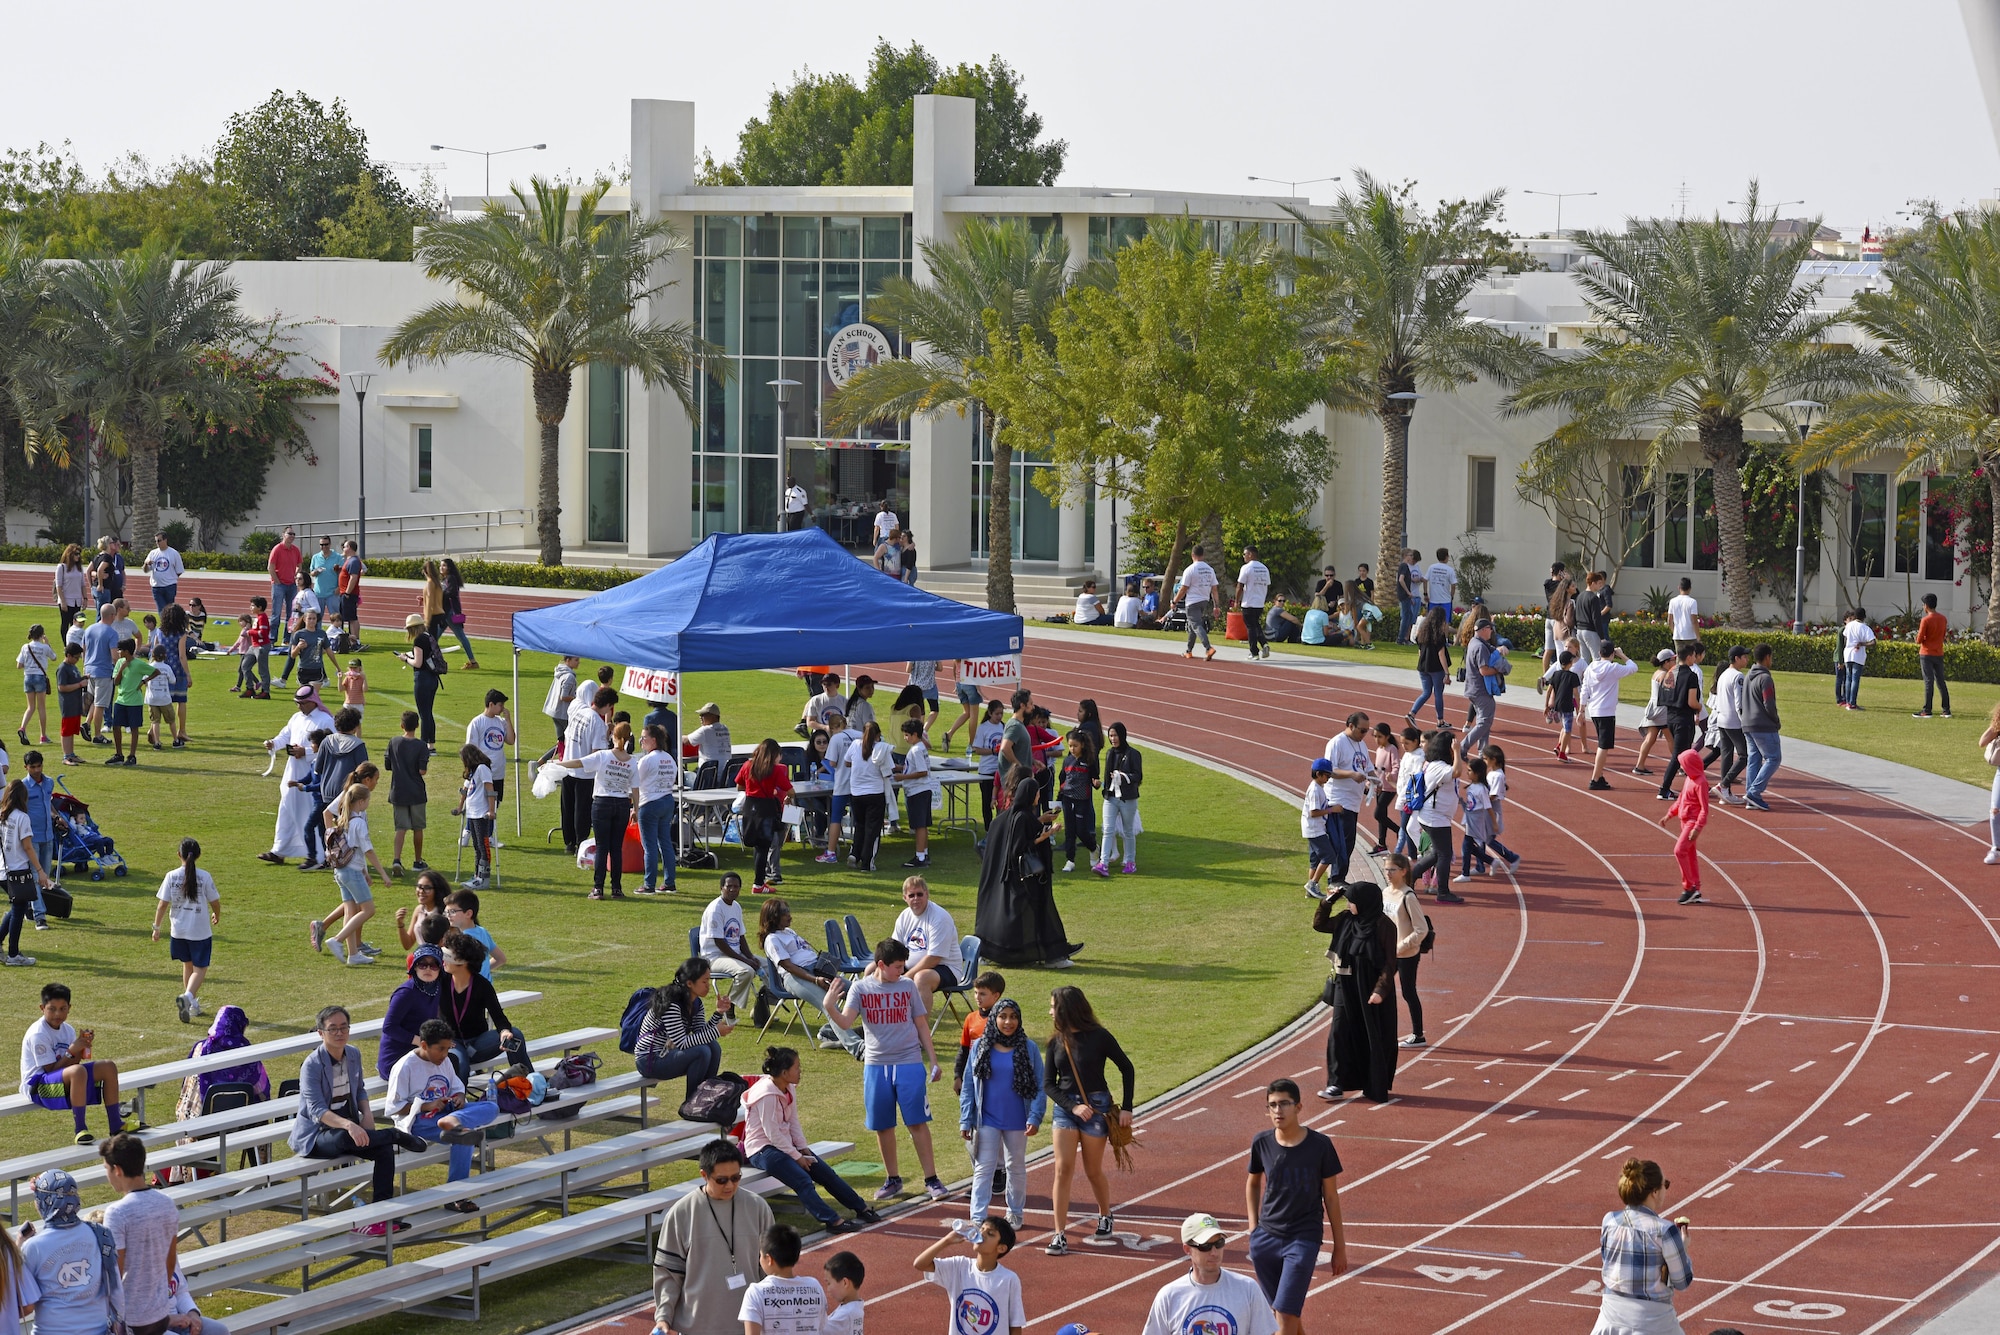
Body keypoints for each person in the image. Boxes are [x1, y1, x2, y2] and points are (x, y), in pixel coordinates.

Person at [825, 938, 947, 1202]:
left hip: (909, 1062)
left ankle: (932, 1179)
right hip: (876, 1065)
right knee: (883, 1125)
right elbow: (846, 1023)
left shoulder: (907, 987)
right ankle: (893, 1179)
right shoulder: (861, 988)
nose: (902, 972)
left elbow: (922, 1025)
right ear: (881, 964)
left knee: (917, 1122)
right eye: (898, 967)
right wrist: (828, 1007)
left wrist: (934, 1060)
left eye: (904, 966)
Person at [290, 1005, 429, 1222]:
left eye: (343, 1027)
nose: (339, 1033)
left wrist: (367, 1114)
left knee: (383, 1151)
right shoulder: (311, 1065)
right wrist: (349, 1125)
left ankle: (382, 1213)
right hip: (318, 1134)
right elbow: (317, 1111)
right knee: (346, 1136)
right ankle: (395, 1134)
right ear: (320, 1033)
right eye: (332, 1028)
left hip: (349, 1123)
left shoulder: (353, 1054)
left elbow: (360, 1089)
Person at [1246, 1078, 1349, 1335]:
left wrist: (1340, 1248)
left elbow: (1332, 1197)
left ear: (1299, 1107)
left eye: (1284, 1104)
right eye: (1272, 1105)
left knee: (1286, 1314)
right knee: (1281, 1311)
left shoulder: (1320, 1145)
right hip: (1265, 1240)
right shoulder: (1262, 1143)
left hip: (1303, 1238)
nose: (1278, 1111)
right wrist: (1253, 1229)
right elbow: (1253, 1183)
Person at [744, 1047, 880, 1233]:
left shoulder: (788, 1087)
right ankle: (833, 1222)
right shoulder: (766, 1095)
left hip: (784, 1144)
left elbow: (793, 1122)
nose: (800, 1071)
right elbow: (772, 1134)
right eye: (797, 1067)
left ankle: (861, 1208)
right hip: (762, 1149)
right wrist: (796, 1156)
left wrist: (803, 1149)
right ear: (784, 1073)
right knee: (802, 1180)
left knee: (824, 1172)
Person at [1043, 985, 1133, 1254]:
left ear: (1067, 1009)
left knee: (1093, 1170)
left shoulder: (1099, 1036)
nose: (1049, 1012)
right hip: (1066, 1110)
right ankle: (1059, 1233)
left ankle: (1105, 1213)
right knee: (1062, 1169)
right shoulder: (1055, 1041)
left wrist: (1127, 1107)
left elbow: (1126, 1067)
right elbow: (1048, 1084)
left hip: (1097, 1108)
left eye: (1053, 1006)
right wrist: (1072, 1107)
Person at [652, 1140, 776, 1335]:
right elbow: (668, 1272)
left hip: (749, 1326)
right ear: (704, 1175)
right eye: (722, 1180)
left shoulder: (758, 1208)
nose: (730, 1185)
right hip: (697, 1327)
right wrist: (663, 1317)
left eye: (736, 1178)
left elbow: (772, 1269)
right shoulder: (682, 1213)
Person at [386, 1018, 495, 1208]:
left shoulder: (444, 1061)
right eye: (440, 1049)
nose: (445, 1054)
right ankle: (456, 1196)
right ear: (424, 1045)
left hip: (447, 1112)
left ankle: (454, 1121)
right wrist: (426, 1106)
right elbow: (394, 1109)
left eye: (447, 1049)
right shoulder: (405, 1066)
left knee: (491, 1107)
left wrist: (459, 1097)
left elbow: (456, 1087)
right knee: (463, 1137)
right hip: (418, 1120)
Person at [959, 998, 1044, 1233]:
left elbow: (1039, 1085)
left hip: (1018, 1120)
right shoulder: (979, 1046)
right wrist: (966, 1118)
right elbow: (968, 1084)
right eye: (1003, 1016)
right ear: (994, 1018)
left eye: (1013, 1017)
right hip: (987, 1119)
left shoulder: (1029, 1048)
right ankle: (978, 1218)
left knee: (1015, 1166)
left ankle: (1015, 1212)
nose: (1008, 1022)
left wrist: (1035, 1116)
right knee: (983, 1168)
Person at [976, 777, 1079, 968]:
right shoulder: (1022, 816)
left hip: (1018, 879)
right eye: (1037, 793)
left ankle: (997, 952)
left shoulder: (1014, 815)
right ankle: (1052, 957)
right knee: (1039, 913)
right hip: (1028, 878)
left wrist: (1042, 823)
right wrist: (1047, 835)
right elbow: (1020, 846)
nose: (1038, 796)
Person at [1315, 882, 1396, 1100]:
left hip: (1370, 989)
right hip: (1345, 985)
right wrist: (1328, 900)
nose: (1349, 904)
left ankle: (1372, 1083)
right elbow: (1320, 924)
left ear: (1364, 903)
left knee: (1371, 1035)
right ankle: (1336, 1083)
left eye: (1352, 901)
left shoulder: (1384, 925)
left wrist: (1380, 990)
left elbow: (1389, 964)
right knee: (1338, 1033)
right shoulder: (1345, 919)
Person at [1594, 1158, 1694, 1335]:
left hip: (1610, 1318)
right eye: (1666, 1185)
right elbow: (1682, 1282)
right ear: (1654, 1192)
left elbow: (1608, 1261)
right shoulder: (1665, 1230)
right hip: (1655, 1322)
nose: (1665, 1190)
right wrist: (1683, 1249)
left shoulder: (1609, 1221)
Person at [1142, 1212, 1278, 1335]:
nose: (1214, 1252)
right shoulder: (1169, 1297)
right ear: (1187, 1249)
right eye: (1205, 1246)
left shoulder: (1248, 1288)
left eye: (1219, 1243)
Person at [760, 899, 863, 1058]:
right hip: (795, 977)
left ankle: (829, 1031)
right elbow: (788, 966)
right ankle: (859, 1049)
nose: (790, 915)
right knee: (828, 1004)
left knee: (858, 992)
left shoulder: (789, 932)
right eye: (785, 912)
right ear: (774, 916)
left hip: (815, 970)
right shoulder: (772, 939)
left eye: (788, 910)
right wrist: (815, 980)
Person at [102, 1137, 183, 1335]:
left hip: (130, 1316)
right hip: (159, 1312)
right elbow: (171, 1260)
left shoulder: (116, 1212)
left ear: (117, 1170)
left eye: (106, 1169)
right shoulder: (167, 1203)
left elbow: (115, 1271)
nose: (107, 1175)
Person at [555, 718, 636, 899]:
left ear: (613, 736)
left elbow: (579, 763)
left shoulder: (603, 756)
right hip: (622, 804)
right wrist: (636, 809)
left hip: (602, 803)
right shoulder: (632, 761)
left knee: (602, 847)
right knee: (616, 849)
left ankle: (598, 888)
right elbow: (635, 788)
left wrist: (558, 764)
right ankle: (616, 888)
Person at [636, 957, 734, 1100]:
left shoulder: (695, 1002)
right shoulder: (672, 1004)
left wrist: (718, 1013)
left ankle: (706, 1097)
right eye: (704, 981)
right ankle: (693, 1102)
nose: (708, 986)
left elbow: (700, 1033)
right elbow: (682, 1043)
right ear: (689, 983)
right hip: (650, 1060)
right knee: (702, 1051)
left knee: (713, 1046)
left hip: (668, 1053)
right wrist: (716, 1031)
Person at [438, 929, 527, 1076]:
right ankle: (458, 1099)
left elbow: (499, 1017)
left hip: (478, 1044)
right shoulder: (441, 981)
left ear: (462, 962)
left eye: (447, 956)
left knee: (515, 1034)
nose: (443, 961)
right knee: (460, 1064)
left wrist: (505, 1032)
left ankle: (527, 1083)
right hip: (452, 1043)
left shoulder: (482, 985)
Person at [914, 1219, 1025, 1335]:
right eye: (981, 1229)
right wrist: (947, 1240)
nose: (982, 1234)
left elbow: (1015, 1324)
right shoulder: (959, 1266)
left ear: (1001, 1248)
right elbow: (920, 1264)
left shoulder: (1008, 1279)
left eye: (990, 1233)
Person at [150, 838, 219, 1024]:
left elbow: (162, 904)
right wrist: (216, 914)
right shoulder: (204, 876)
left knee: (187, 965)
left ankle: (192, 1004)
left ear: (178, 854)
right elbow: (215, 901)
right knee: (200, 967)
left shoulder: (171, 876)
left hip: (178, 931)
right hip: (199, 931)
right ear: (198, 855)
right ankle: (188, 997)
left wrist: (156, 928)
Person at [0, 780, 55, 967]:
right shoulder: (22, 818)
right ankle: (13, 954)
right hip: (18, 871)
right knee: (18, 910)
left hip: (3, 871)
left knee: (18, 908)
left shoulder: (2, 815)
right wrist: (40, 871)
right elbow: (28, 847)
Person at [1379, 853, 1430, 1047]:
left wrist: (1401, 946)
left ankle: (1418, 1035)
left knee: (1408, 992)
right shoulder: (1385, 892)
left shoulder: (1408, 896)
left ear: (1403, 871)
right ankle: (1381, 1031)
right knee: (1380, 988)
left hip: (1406, 954)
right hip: (1387, 952)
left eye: (1392, 870)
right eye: (1386, 869)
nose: (1388, 873)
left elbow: (1421, 929)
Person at [1407, 733, 1464, 901]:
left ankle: (1410, 877)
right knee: (1445, 854)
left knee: (1437, 854)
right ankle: (1443, 892)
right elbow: (1457, 771)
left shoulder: (1436, 765)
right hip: (1435, 818)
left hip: (1436, 817)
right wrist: (1458, 752)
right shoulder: (1439, 766)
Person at [739, 1224, 824, 1335]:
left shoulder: (755, 1293)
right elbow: (821, 1327)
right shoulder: (815, 1287)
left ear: (769, 1259)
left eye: (760, 1255)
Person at [737, 737, 795, 892]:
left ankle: (759, 880)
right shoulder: (775, 770)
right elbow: (790, 790)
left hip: (750, 806)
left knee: (756, 844)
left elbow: (739, 785)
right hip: (766, 807)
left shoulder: (747, 765)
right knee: (763, 846)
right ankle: (758, 883)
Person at [699, 872, 760, 1015]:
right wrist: (745, 961)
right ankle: (728, 1006)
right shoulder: (716, 909)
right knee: (746, 971)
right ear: (722, 888)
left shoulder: (736, 906)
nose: (732, 889)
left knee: (770, 966)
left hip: (733, 955)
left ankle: (761, 1008)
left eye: (736, 886)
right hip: (714, 958)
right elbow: (719, 942)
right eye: (729, 886)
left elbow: (741, 937)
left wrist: (751, 957)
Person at [1655, 643, 1706, 802]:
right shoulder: (1691, 676)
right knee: (1680, 756)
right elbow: (1692, 702)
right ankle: (1664, 789)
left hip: (1670, 717)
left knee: (1684, 755)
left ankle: (1696, 786)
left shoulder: (1670, 672)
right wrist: (1699, 707)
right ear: (1690, 656)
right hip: (1684, 719)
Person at [1661, 750, 1710, 906]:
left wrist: (1697, 827)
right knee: (1690, 854)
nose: (1681, 767)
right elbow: (1682, 800)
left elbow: (1704, 808)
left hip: (1692, 823)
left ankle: (1689, 888)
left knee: (1679, 850)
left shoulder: (1701, 782)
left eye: (1683, 764)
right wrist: (1670, 814)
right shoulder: (1689, 779)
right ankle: (1695, 887)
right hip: (1684, 821)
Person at [635, 724, 679, 895]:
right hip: (667, 800)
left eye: (644, 738)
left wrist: (634, 807)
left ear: (653, 740)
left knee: (650, 846)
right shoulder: (669, 758)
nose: (641, 741)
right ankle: (669, 882)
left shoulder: (647, 760)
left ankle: (649, 884)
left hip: (650, 802)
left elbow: (635, 783)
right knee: (665, 844)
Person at [842, 721, 892, 871]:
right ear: (878, 735)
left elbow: (846, 762)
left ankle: (855, 853)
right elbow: (889, 770)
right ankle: (867, 862)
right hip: (875, 793)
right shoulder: (881, 749)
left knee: (860, 826)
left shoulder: (855, 745)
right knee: (873, 830)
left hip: (856, 793)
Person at [386, 710, 430, 875]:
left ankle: (397, 859)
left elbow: (387, 765)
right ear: (417, 726)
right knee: (418, 828)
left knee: (401, 828)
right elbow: (422, 771)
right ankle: (417, 861)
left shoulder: (393, 742)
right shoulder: (421, 746)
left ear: (402, 725)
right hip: (416, 792)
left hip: (398, 791)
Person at [1706, 645, 1750, 804]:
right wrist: (1745, 722)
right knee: (1744, 755)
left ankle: (1726, 792)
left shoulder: (1724, 674)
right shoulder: (1738, 676)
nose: (1747, 659)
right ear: (1736, 658)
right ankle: (1723, 785)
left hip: (1722, 720)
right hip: (1733, 722)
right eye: (1744, 657)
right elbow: (1739, 703)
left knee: (1727, 754)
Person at [1096, 722, 1141, 876]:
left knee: (1128, 831)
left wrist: (1124, 777)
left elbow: (1138, 776)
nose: (1113, 738)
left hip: (1128, 798)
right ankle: (1103, 863)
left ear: (1122, 735)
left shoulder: (1133, 754)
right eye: (1110, 735)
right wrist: (1105, 789)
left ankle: (1130, 861)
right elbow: (1107, 776)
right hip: (1111, 797)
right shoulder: (1110, 753)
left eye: (1115, 735)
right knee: (1107, 830)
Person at [1742, 643, 1781, 813]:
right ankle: (1754, 792)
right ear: (1767, 657)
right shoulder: (1765, 678)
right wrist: (1775, 720)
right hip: (1763, 725)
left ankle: (1751, 794)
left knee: (1754, 758)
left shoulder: (1748, 676)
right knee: (1773, 758)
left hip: (1748, 724)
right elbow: (1769, 704)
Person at [397, 615, 446, 747]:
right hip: (433, 678)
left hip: (422, 678)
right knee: (428, 712)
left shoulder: (419, 640)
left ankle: (424, 744)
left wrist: (405, 659)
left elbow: (418, 663)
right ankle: (431, 744)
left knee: (424, 714)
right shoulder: (429, 636)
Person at [897, 718, 939, 870]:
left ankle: (920, 856)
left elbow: (921, 772)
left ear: (915, 735)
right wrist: (899, 768)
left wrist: (903, 777)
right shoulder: (920, 748)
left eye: (907, 735)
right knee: (923, 824)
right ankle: (924, 853)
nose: (905, 738)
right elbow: (914, 768)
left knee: (919, 825)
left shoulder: (916, 750)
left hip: (918, 790)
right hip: (922, 789)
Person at [464, 690, 514, 809]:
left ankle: (491, 828)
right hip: (482, 775)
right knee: (480, 808)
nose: (502, 708)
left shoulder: (501, 722)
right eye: (500, 705)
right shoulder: (476, 723)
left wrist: (508, 720)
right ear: (491, 704)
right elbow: (470, 750)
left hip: (498, 773)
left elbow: (511, 741)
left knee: (495, 807)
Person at [1631, 649, 1677, 777]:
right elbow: (1670, 694)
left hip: (1653, 708)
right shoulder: (1667, 675)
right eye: (1673, 659)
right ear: (1666, 662)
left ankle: (1640, 765)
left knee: (1650, 738)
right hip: (1662, 710)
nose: (1675, 661)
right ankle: (1679, 765)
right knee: (1671, 739)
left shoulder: (1656, 673)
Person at [455, 746, 496, 890]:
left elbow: (490, 789)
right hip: (472, 813)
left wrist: (491, 811)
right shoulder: (471, 772)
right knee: (476, 846)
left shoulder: (482, 769)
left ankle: (484, 878)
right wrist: (460, 808)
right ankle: (477, 875)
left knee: (483, 845)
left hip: (481, 813)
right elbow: (465, 791)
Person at [106, 637, 152, 766]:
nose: (118, 652)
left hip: (135, 702)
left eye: (120, 650)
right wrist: (121, 668)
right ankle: (119, 754)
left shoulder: (139, 664)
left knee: (134, 729)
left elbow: (155, 672)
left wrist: (143, 682)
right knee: (116, 726)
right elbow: (116, 682)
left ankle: (132, 756)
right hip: (120, 700)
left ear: (127, 651)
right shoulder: (120, 662)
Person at [1056, 730, 1097, 872]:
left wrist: (1096, 783)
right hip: (1068, 800)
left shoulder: (1089, 761)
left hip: (1082, 801)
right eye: (1070, 746)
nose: (1072, 749)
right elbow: (1062, 780)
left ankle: (1093, 848)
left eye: (1075, 746)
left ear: (1083, 745)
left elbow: (1094, 779)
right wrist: (1058, 800)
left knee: (1081, 830)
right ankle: (1070, 860)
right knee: (1070, 831)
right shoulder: (1067, 760)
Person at [1461, 619, 1500, 756]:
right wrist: (1499, 669)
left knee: (1484, 721)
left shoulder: (1473, 642)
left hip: (1473, 688)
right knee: (1484, 723)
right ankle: (1462, 748)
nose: (1491, 632)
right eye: (1490, 628)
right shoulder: (1480, 647)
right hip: (1480, 690)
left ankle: (1483, 751)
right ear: (1484, 629)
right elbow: (1484, 670)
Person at [1300, 759, 1338, 901]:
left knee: (1315, 860)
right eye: (1327, 776)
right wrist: (1332, 809)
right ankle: (1312, 884)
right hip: (1315, 830)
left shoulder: (1317, 788)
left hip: (1313, 829)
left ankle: (1310, 891)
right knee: (1329, 856)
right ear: (1318, 774)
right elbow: (1314, 812)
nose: (1328, 778)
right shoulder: (1316, 790)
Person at [1454, 756, 1496, 882]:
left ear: (1477, 773)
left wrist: (1494, 823)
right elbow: (1471, 803)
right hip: (1469, 818)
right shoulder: (1472, 787)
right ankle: (1490, 861)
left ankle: (1465, 873)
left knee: (1467, 846)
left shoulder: (1481, 789)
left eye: (1469, 771)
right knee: (1468, 846)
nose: (1467, 773)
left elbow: (1488, 807)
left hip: (1476, 820)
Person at [1175, 546, 1220, 661]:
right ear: (1203, 555)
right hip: (1204, 600)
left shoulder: (1190, 569)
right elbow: (1214, 589)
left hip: (1192, 601)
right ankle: (1188, 651)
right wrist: (1216, 605)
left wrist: (1174, 601)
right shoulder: (1210, 569)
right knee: (1192, 627)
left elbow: (1183, 588)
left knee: (1196, 625)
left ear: (1192, 555)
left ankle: (1208, 647)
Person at [968, 699, 1007, 830]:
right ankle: (988, 829)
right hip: (986, 770)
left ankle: (1000, 828)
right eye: (997, 713)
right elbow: (977, 749)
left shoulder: (1004, 726)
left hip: (1001, 770)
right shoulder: (983, 727)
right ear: (990, 713)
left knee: (1001, 801)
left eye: (1001, 713)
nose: (999, 716)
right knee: (987, 802)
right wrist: (992, 750)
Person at [1409, 609, 1451, 726]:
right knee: (1438, 694)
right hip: (1436, 668)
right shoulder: (1439, 635)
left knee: (1426, 692)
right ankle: (1440, 720)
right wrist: (1447, 673)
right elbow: (1441, 654)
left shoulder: (1422, 633)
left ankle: (1412, 713)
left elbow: (1420, 651)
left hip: (1423, 667)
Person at [1916, 592, 1953, 718]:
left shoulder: (1925, 620)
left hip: (1926, 653)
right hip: (1938, 652)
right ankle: (1946, 709)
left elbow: (1919, 639)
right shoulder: (1943, 618)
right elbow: (1943, 635)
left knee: (1928, 681)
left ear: (1926, 605)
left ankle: (1927, 710)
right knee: (1941, 681)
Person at [17, 624, 53, 748]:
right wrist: (47, 643)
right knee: (41, 707)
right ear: (41, 634)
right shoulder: (44, 647)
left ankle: (22, 727)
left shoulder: (25, 647)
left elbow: (19, 665)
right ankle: (43, 736)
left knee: (30, 707)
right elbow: (54, 657)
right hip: (40, 677)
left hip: (28, 677)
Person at [438, 558, 477, 668]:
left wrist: (437, 595)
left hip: (450, 613)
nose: (441, 567)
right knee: (434, 637)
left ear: (449, 567)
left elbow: (451, 593)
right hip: (445, 613)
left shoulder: (451, 578)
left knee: (461, 637)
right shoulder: (445, 579)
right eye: (440, 565)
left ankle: (473, 662)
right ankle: (432, 660)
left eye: (444, 565)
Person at [1235, 545, 1272, 661]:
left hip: (1249, 601)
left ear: (1250, 554)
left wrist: (1236, 600)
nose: (1244, 557)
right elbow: (1267, 585)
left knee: (1250, 627)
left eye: (1245, 554)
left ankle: (1254, 652)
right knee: (1255, 625)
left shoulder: (1246, 568)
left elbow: (1240, 585)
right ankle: (1264, 643)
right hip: (1259, 601)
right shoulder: (1264, 568)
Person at [1546, 648, 1582, 763]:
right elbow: (1576, 694)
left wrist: (1546, 705)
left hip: (1557, 706)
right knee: (1567, 730)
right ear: (1570, 662)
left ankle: (1558, 746)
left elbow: (1549, 690)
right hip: (1567, 705)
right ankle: (1562, 754)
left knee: (1564, 727)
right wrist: (1579, 708)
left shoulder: (1556, 674)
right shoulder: (1573, 676)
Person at [55, 642, 85, 767]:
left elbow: (75, 680)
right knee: (66, 731)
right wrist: (79, 685)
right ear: (68, 655)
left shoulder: (73, 667)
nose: (77, 660)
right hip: (68, 704)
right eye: (76, 657)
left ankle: (71, 754)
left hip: (75, 703)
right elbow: (62, 687)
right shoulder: (63, 668)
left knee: (72, 730)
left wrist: (83, 678)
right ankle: (66, 756)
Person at [1838, 608, 1875, 709]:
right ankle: (1852, 703)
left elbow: (1845, 639)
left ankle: (1848, 702)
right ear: (1864, 617)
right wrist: (1862, 644)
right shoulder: (1865, 628)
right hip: (1858, 655)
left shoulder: (1849, 625)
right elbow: (1873, 642)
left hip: (1848, 654)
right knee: (1855, 679)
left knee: (1848, 678)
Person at [686, 701, 731, 783]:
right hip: (724, 776)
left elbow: (687, 740)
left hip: (707, 776)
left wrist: (676, 735)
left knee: (685, 776)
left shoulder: (706, 730)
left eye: (703, 715)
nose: (700, 717)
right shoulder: (725, 728)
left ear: (713, 716)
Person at [821, 1252, 865, 1335]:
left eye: (829, 1283)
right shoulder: (855, 1308)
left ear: (845, 1283)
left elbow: (817, 1331)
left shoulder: (846, 1315)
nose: (828, 1289)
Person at [268, 527, 302, 628]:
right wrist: (277, 581)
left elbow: (299, 566)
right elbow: (270, 567)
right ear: (283, 535)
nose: (292, 536)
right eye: (289, 534)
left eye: (293, 534)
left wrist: (295, 577)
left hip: (291, 585)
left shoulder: (295, 550)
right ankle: (273, 638)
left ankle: (287, 638)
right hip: (279, 585)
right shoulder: (277, 549)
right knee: (276, 613)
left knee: (291, 613)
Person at [544, 655, 579, 752]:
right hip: (563, 713)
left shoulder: (559, 672)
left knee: (561, 740)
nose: (578, 662)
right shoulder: (569, 676)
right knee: (569, 740)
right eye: (576, 660)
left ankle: (544, 760)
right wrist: (577, 698)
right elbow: (563, 696)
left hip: (554, 710)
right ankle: (563, 758)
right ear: (568, 660)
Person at [335, 539, 366, 645]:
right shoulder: (350, 560)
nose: (343, 548)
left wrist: (347, 592)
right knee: (350, 617)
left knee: (352, 618)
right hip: (346, 593)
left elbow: (353, 578)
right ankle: (353, 640)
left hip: (349, 594)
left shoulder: (353, 561)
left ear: (350, 548)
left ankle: (355, 641)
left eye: (345, 546)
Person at [1666, 577, 1699, 654]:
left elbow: (1669, 620)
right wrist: (1698, 637)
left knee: (1680, 659)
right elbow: (1694, 621)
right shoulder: (1692, 602)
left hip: (1678, 635)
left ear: (1679, 588)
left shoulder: (1673, 601)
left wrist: (1674, 631)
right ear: (1690, 588)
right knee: (1691, 658)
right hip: (1690, 635)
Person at [1423, 548, 1457, 618]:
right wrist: (1452, 595)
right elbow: (1453, 585)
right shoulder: (1450, 570)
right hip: (1446, 601)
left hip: (1433, 600)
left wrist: (1425, 594)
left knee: (1432, 621)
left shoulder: (1431, 568)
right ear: (1446, 557)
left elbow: (1425, 580)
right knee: (1445, 621)